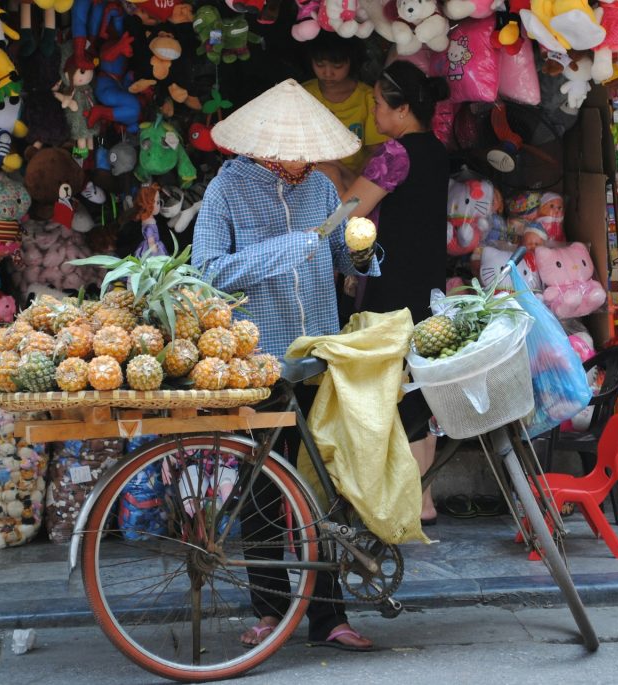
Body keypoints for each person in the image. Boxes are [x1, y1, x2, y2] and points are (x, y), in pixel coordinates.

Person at [191, 79, 379, 651]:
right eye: (291, 149)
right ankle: (270, 611)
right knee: (261, 493)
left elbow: (345, 257)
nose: (300, 159)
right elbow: (206, 273)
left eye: (306, 150)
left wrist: (362, 252)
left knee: (322, 492)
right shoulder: (226, 191)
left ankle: (329, 617)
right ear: (264, 145)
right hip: (258, 362)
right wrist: (286, 249)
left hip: (319, 355)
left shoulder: (322, 191)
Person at [341, 60, 450, 525]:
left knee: (393, 392)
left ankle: (409, 500)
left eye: (379, 105)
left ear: (403, 110)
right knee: (418, 390)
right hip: (427, 284)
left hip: (391, 286)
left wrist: (328, 175)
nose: (375, 112)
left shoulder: (394, 155)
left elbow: (351, 212)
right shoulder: (438, 151)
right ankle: (425, 500)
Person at [302, 33, 387, 191]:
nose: (328, 73)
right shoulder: (302, 94)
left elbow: (375, 151)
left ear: (351, 62)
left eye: (337, 66)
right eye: (320, 65)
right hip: (309, 179)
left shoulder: (368, 98)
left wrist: (354, 180)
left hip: (353, 182)